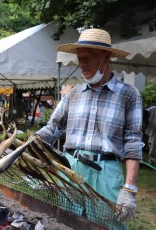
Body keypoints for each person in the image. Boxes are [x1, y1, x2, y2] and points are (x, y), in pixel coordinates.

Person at [35, 29, 143, 228]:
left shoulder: (129, 95)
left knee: (108, 224)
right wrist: (29, 144)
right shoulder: (73, 94)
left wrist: (129, 188)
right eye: (79, 59)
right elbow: (53, 128)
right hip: (70, 167)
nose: (82, 65)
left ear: (106, 57)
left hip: (106, 172)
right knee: (66, 222)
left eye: (87, 58)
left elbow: (133, 142)